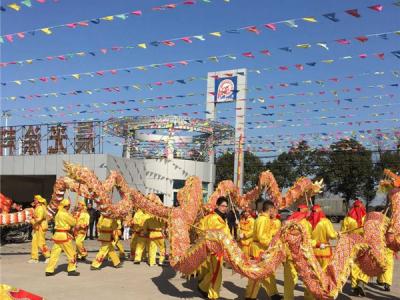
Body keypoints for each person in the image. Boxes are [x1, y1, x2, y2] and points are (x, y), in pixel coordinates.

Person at [244, 200, 282, 300]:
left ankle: (273, 294)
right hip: (259, 250)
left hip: (260, 248)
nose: (274, 211)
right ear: (270, 209)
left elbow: (265, 233)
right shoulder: (263, 220)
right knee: (257, 275)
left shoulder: (262, 219)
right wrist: (273, 243)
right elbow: (262, 237)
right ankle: (250, 296)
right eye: (273, 209)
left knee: (267, 273)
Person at [198, 196, 231, 299]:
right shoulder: (211, 218)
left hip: (221, 249)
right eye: (222, 206)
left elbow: (226, 234)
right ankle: (213, 296)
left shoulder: (222, 218)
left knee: (214, 272)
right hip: (213, 250)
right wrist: (211, 238)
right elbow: (201, 231)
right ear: (217, 205)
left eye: (226, 206)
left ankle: (203, 287)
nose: (224, 208)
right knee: (217, 274)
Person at [284, 204, 315, 300]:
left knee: (289, 280)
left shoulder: (288, 222)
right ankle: (308, 297)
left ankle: (288, 298)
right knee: (307, 277)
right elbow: (307, 241)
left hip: (288, 254)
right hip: (301, 255)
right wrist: (317, 243)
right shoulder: (305, 223)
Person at [45, 199, 79, 276]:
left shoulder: (58, 213)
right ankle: (71, 270)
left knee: (54, 254)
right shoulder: (65, 214)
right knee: (71, 253)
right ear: (66, 206)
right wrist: (74, 216)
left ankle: (49, 270)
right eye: (69, 206)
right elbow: (73, 222)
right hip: (64, 235)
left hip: (57, 235)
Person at [341, 199, 368, 296]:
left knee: (354, 265)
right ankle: (362, 280)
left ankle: (354, 285)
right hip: (364, 244)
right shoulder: (366, 218)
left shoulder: (347, 219)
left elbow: (343, 233)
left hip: (352, 244)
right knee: (365, 263)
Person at [308, 204, 338, 270]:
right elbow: (332, 235)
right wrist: (338, 234)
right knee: (324, 271)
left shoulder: (308, 223)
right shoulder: (326, 222)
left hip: (312, 250)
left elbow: (306, 239)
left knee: (315, 271)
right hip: (325, 250)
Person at [28, 195, 50, 263]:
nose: (34, 200)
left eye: (35, 199)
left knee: (41, 243)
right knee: (34, 243)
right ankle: (34, 258)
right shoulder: (37, 208)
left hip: (40, 227)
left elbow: (39, 219)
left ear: (38, 200)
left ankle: (48, 256)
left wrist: (31, 219)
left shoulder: (40, 208)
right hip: (36, 227)